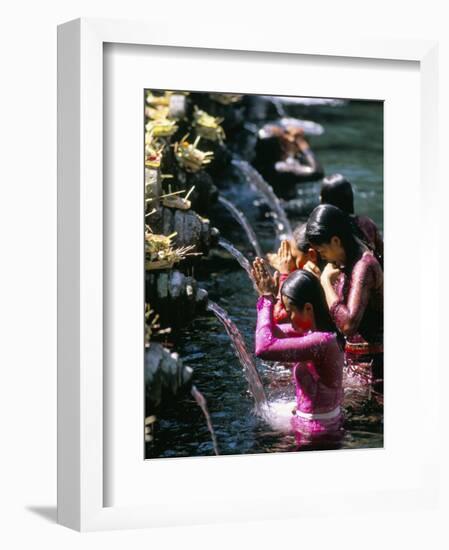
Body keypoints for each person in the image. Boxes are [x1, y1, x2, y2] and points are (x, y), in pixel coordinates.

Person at [251, 258, 344, 448]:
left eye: (290, 310)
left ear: (308, 308)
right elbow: (270, 332)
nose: (286, 316)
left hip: (316, 434)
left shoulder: (322, 341)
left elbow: (264, 347)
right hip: (316, 426)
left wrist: (267, 299)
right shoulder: (317, 333)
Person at [305, 204, 383, 391]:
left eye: (322, 251)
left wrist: (324, 282)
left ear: (336, 241)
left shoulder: (363, 266)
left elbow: (348, 325)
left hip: (375, 375)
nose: (323, 257)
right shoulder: (347, 259)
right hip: (357, 366)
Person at [320, 173, 383, 261]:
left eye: (321, 195)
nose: (319, 198)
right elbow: (381, 251)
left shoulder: (328, 229)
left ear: (325, 201)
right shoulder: (367, 223)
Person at [267, 224, 321, 323]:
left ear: (312, 255)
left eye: (294, 258)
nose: (289, 262)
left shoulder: (315, 283)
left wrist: (284, 275)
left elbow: (278, 318)